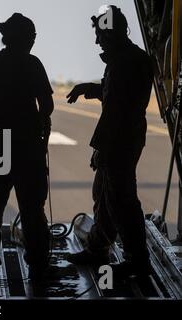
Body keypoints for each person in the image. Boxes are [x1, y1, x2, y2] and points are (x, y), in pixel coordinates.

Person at [66, 6, 154, 278]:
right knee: (105, 195)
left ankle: (136, 259)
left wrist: (100, 149)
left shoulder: (124, 63)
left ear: (112, 33)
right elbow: (114, 95)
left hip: (120, 139)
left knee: (121, 199)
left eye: (100, 35)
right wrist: (89, 89)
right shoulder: (129, 59)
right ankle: (98, 248)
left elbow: (116, 110)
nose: (96, 41)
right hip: (126, 135)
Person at [0, 13, 54, 280]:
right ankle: (39, 265)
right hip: (28, 142)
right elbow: (47, 105)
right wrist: (41, 131)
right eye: (32, 37)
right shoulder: (33, 64)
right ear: (26, 38)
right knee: (32, 210)